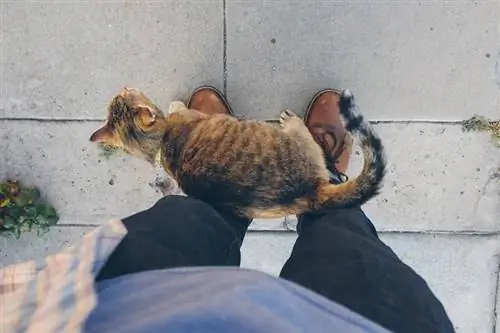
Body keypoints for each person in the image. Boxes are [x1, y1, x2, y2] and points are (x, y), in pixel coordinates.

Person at [0, 87, 455, 333]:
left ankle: (222, 204)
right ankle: (327, 184)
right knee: (350, 250)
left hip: (94, 311)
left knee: (185, 223)